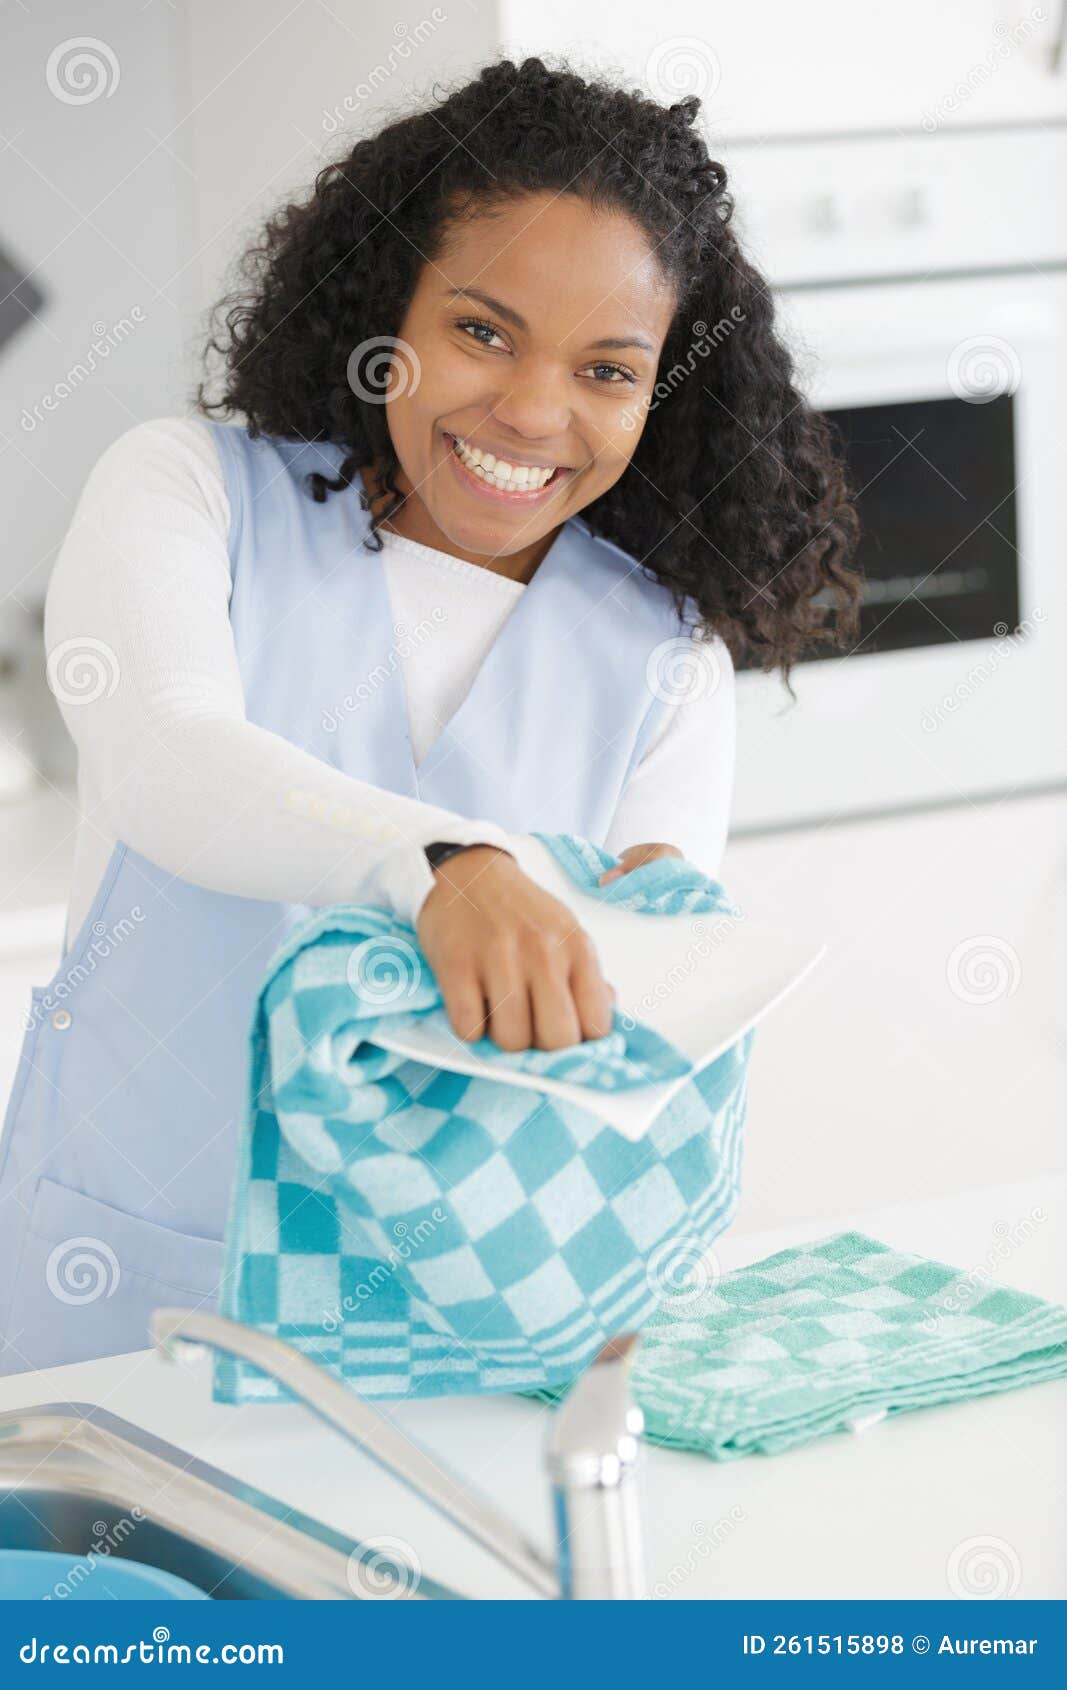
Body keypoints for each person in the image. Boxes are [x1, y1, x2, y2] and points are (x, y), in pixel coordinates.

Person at [0, 56, 860, 1375]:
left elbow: (629, 1029)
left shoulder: (660, 658)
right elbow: (169, 754)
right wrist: (445, 869)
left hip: (448, 1350)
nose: (532, 410)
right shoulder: (190, 495)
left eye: (607, 370)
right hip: (118, 1312)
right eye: (483, 331)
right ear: (387, 304)